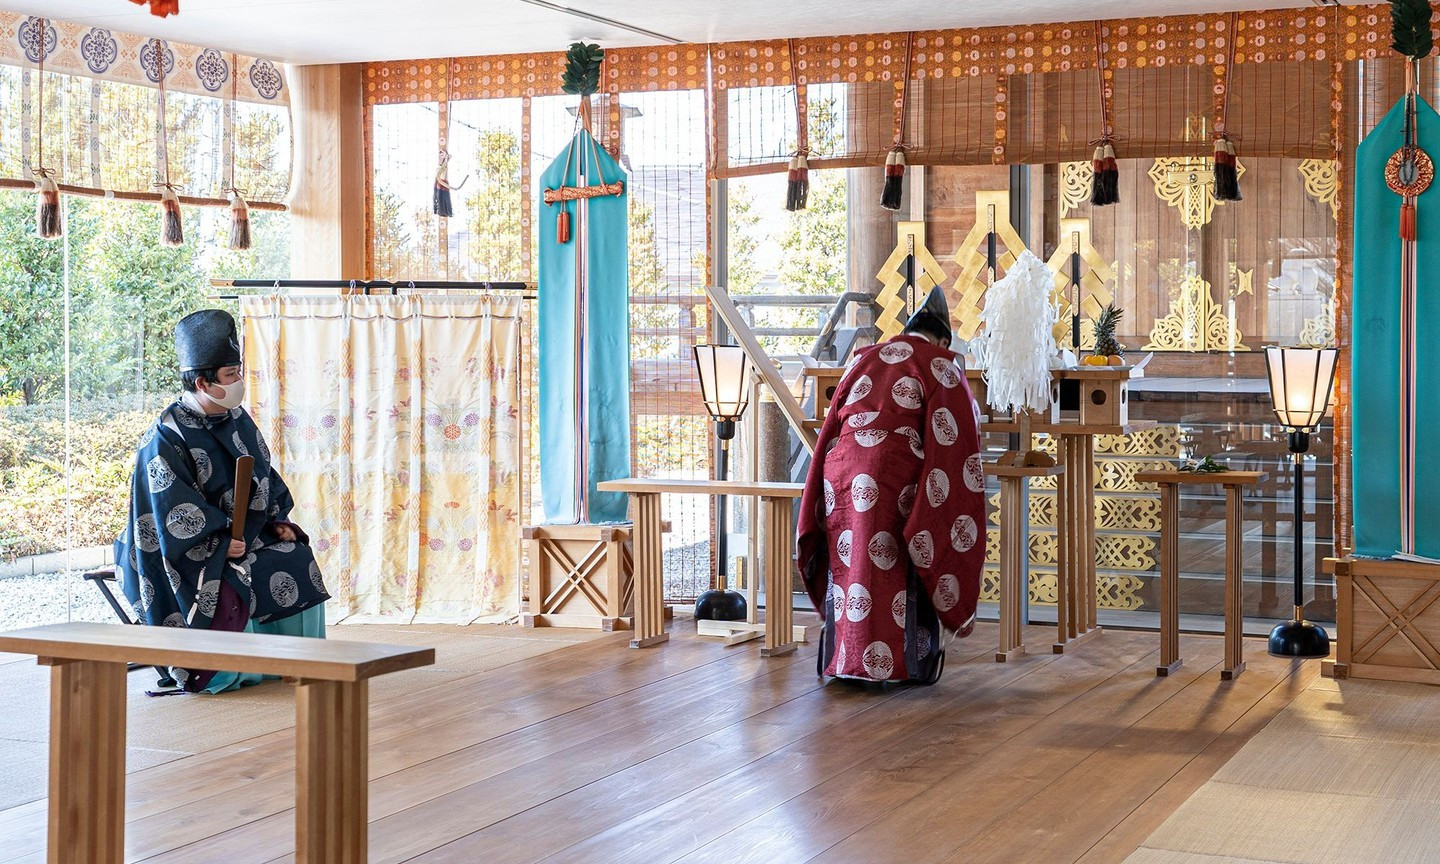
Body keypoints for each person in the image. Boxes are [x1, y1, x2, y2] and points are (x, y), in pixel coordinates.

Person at [114, 309, 329, 693]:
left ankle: (294, 660)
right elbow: (171, 510)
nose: (239, 382)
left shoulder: (236, 416)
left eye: (238, 372)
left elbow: (263, 474)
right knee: (232, 577)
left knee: (295, 556)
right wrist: (218, 543)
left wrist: (276, 520)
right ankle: (230, 670)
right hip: (187, 549)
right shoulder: (166, 436)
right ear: (203, 382)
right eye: (231, 375)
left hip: (245, 534)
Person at [796, 287, 986, 684]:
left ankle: (844, 661)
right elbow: (958, 438)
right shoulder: (940, 364)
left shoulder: (864, 358)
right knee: (900, 556)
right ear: (942, 340)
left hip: (841, 471)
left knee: (850, 561)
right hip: (895, 472)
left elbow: (831, 426)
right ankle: (900, 668)